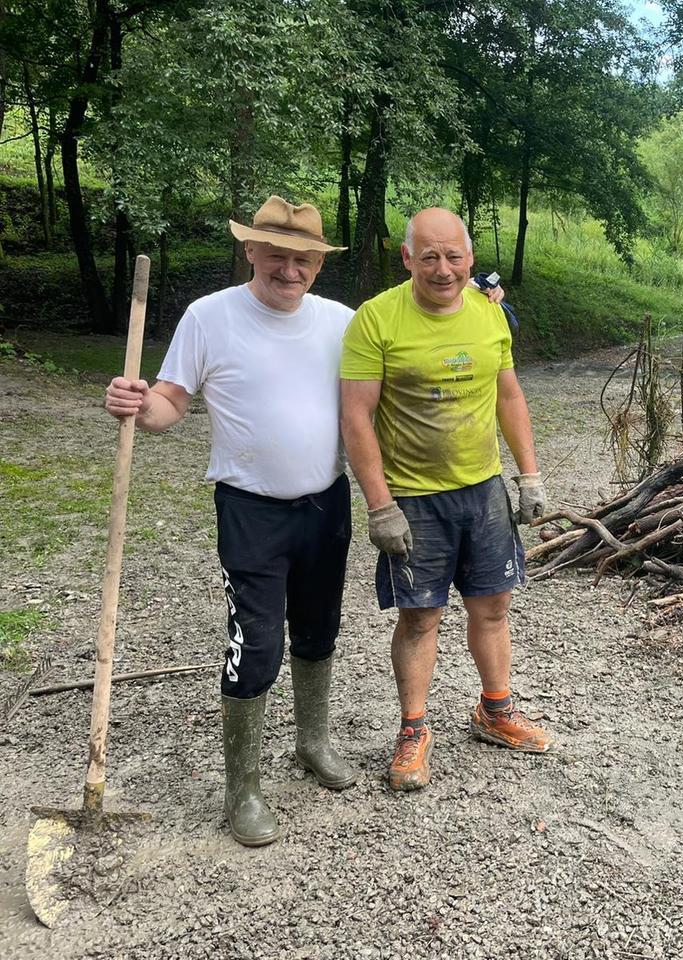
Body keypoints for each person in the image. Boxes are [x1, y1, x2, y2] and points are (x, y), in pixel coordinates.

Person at [103, 197, 506, 844]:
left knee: (319, 631)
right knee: (257, 645)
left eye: (305, 259)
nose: (290, 269)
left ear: (318, 264)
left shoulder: (342, 323)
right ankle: (243, 790)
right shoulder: (210, 318)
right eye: (278, 255)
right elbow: (170, 402)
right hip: (250, 510)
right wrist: (136, 403)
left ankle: (311, 744)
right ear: (251, 253)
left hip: (326, 506)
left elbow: (390, 383)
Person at [340, 207, 549, 792]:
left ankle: (496, 711)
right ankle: (412, 730)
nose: (443, 268)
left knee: (492, 607)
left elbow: (508, 394)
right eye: (428, 255)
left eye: (453, 255)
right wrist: (380, 505)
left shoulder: (490, 316)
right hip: (414, 498)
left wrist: (528, 475)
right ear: (407, 258)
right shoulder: (376, 320)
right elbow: (355, 417)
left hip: (482, 490)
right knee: (420, 616)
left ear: (470, 258)